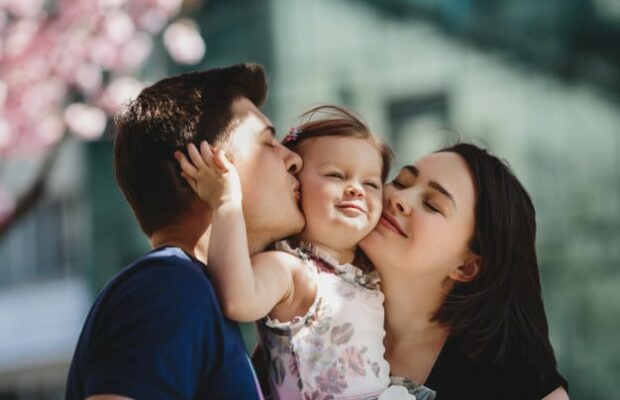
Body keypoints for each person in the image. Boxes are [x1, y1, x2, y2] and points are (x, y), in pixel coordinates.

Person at [65, 64, 305, 399]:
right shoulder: (169, 288)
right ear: (198, 168)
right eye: (268, 143)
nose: (294, 160)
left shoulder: (191, 290)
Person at [176, 105, 436, 399]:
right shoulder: (292, 270)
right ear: (296, 186)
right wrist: (226, 202)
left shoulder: (366, 271)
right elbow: (238, 301)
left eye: (371, 183)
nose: (356, 189)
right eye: (336, 175)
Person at [359, 143, 569, 399]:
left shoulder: (515, 382)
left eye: (433, 205)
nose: (399, 198)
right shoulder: (316, 302)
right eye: (401, 182)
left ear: (466, 266)